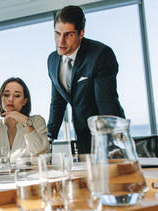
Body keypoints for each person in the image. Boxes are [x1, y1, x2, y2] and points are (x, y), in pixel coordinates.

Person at [47, 5, 125, 153]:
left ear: (81, 33)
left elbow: (105, 101)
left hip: (109, 131)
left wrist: (111, 141)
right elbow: (57, 101)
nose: (60, 41)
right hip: (82, 134)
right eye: (57, 33)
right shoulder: (52, 60)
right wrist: (49, 137)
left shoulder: (100, 54)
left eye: (68, 34)